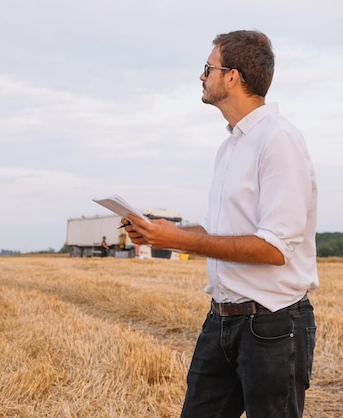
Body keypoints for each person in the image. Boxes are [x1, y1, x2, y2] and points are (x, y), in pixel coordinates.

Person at [123, 30, 318, 418]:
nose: (202, 76)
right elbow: (215, 235)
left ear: (232, 77)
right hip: (222, 321)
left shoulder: (279, 140)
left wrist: (184, 241)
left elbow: (274, 248)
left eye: (207, 68)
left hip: (273, 326)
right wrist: (160, 232)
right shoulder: (230, 147)